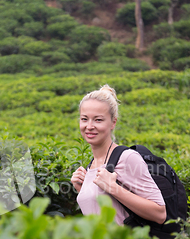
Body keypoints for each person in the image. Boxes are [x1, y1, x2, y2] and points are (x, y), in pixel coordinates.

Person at [71, 84, 167, 226]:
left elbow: (160, 213)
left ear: (113, 122)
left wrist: (113, 188)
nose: (89, 126)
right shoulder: (92, 164)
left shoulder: (127, 158)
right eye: (84, 119)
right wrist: (83, 189)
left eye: (98, 120)